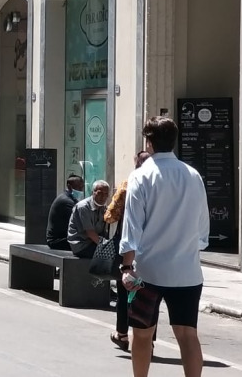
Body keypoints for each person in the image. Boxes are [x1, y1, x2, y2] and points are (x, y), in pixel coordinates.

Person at [121, 117, 209, 377]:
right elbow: (203, 227)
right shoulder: (193, 175)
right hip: (187, 271)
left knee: (142, 333)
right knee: (187, 334)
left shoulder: (140, 176)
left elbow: (132, 227)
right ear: (174, 141)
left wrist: (127, 265)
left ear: (148, 142)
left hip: (148, 272)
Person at [104, 150, 154, 352]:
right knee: (150, 296)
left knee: (125, 292)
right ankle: (148, 341)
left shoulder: (127, 184)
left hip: (128, 245)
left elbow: (109, 215)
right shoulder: (157, 184)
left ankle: (122, 334)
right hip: (151, 246)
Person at [67, 180, 111, 258]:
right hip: (82, 245)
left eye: (106, 194)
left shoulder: (103, 208)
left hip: (94, 242)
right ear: (93, 192)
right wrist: (106, 246)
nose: (103, 197)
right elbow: (90, 232)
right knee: (111, 255)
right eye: (100, 193)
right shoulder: (83, 207)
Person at [46, 174, 84, 250]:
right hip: (57, 241)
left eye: (82, 187)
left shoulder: (69, 198)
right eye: (78, 187)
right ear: (70, 187)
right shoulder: (66, 202)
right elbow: (79, 223)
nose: (81, 190)